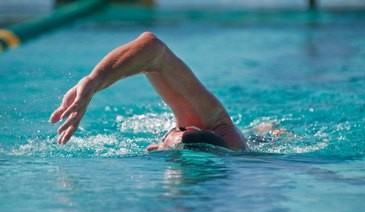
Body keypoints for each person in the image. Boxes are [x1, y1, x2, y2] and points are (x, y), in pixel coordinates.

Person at [50, 32, 248, 151]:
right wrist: (93, 82)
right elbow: (153, 48)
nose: (183, 128)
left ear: (158, 147)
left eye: (179, 131)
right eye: (184, 129)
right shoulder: (213, 123)